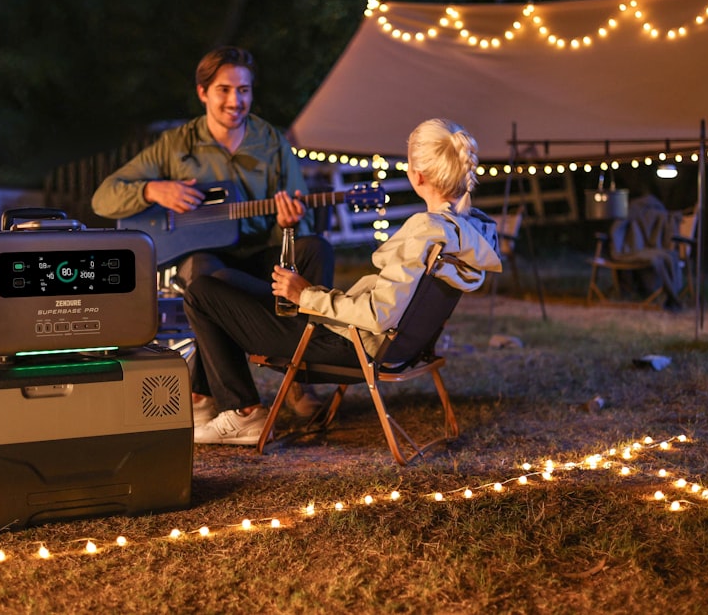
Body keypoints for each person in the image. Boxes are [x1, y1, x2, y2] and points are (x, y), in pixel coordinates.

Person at [183, 118, 504, 445]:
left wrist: (306, 294)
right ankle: (210, 399)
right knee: (230, 279)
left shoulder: (425, 232)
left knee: (202, 292)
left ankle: (242, 413)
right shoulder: (468, 231)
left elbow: (380, 315)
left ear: (416, 175)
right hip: (393, 345)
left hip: (345, 344)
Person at [90, 46, 334, 424]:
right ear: (203, 92)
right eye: (224, 90)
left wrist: (289, 223)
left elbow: (295, 217)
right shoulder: (177, 145)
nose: (236, 101)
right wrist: (152, 191)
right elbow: (103, 198)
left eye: (244, 90)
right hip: (207, 259)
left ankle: (300, 373)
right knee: (207, 275)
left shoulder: (270, 141)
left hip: (259, 253)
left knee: (314, 248)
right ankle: (241, 405)